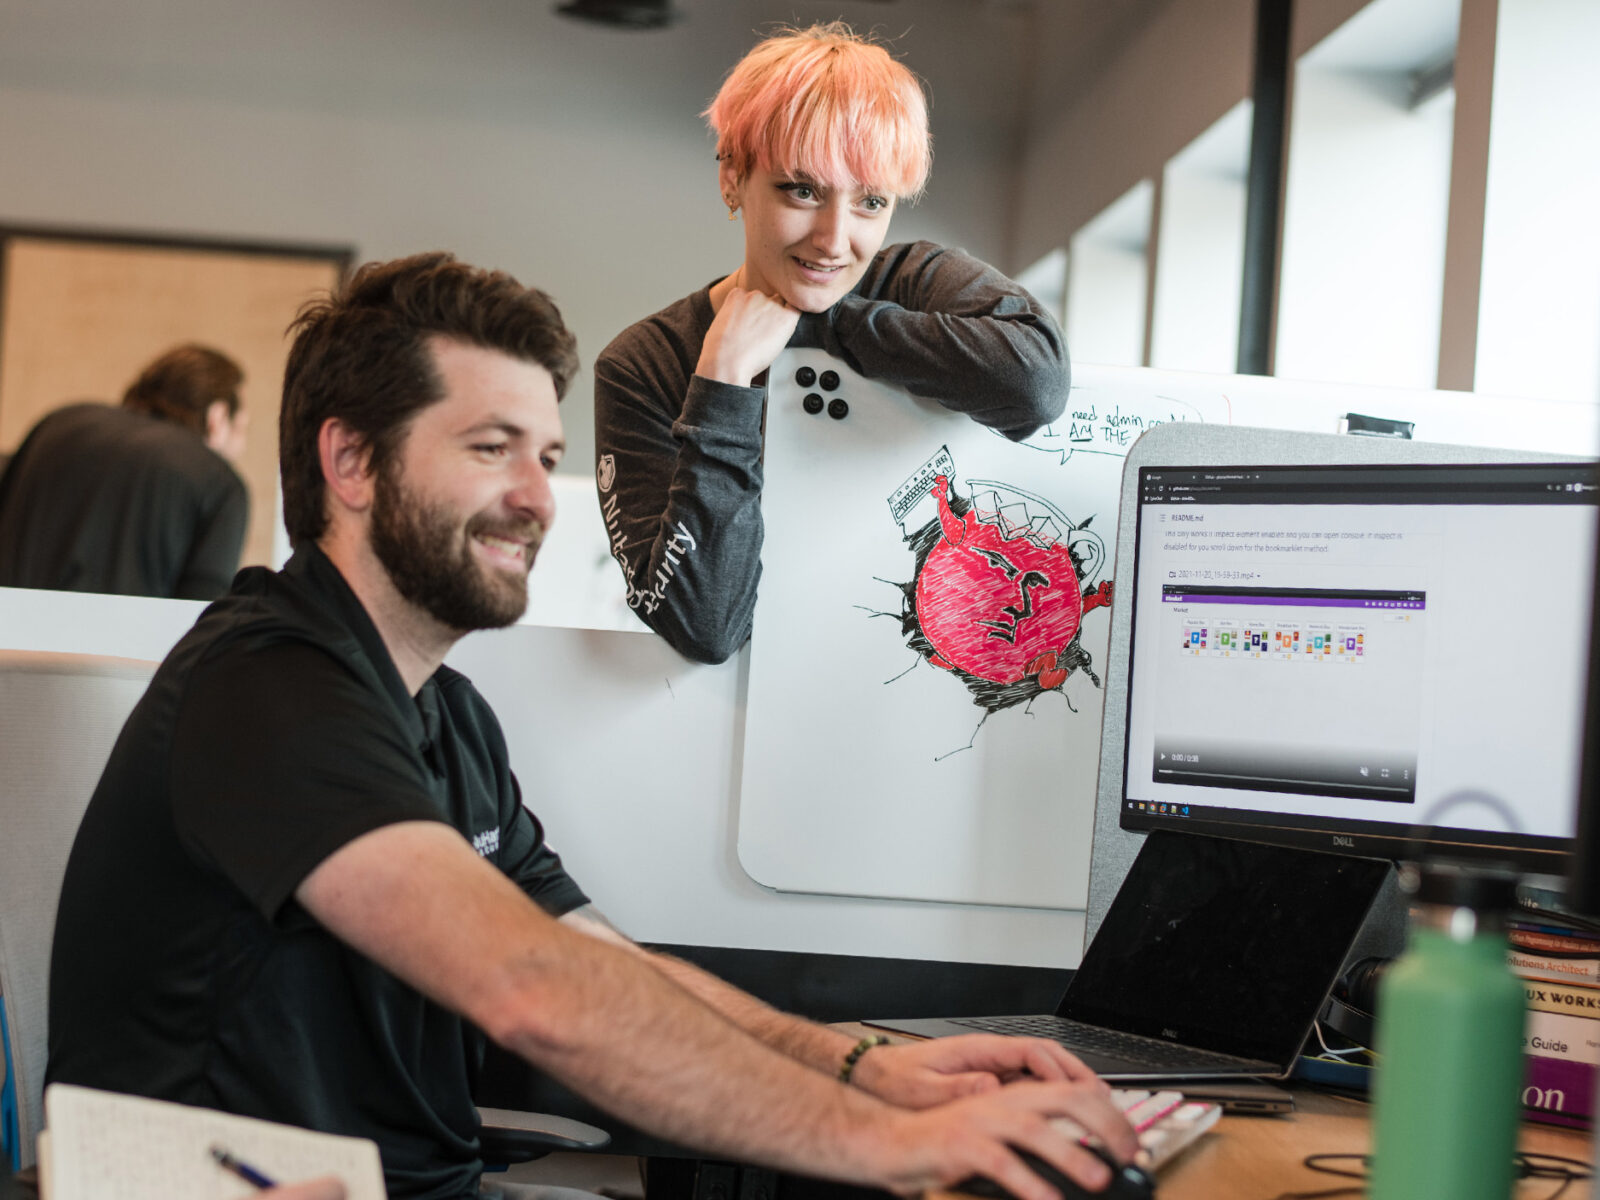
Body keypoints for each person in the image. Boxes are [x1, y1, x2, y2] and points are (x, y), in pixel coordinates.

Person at [46, 253, 1133, 1200]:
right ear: (352, 464)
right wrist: (899, 1145)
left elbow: (588, 952)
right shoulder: (268, 687)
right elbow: (533, 992)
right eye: (490, 448)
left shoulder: (442, 714)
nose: (538, 495)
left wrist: (856, 1071)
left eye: (542, 452)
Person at [594, 23, 1069, 664]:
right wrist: (723, 382)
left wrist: (826, 324)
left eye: (870, 202)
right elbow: (703, 628)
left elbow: (1034, 385)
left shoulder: (913, 281)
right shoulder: (644, 366)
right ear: (733, 177)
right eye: (803, 190)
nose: (834, 239)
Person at [0, 343, 249, 599]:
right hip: (119, 640)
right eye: (242, 429)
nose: (242, 447)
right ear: (217, 419)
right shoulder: (218, 482)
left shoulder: (56, 424)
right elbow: (200, 618)